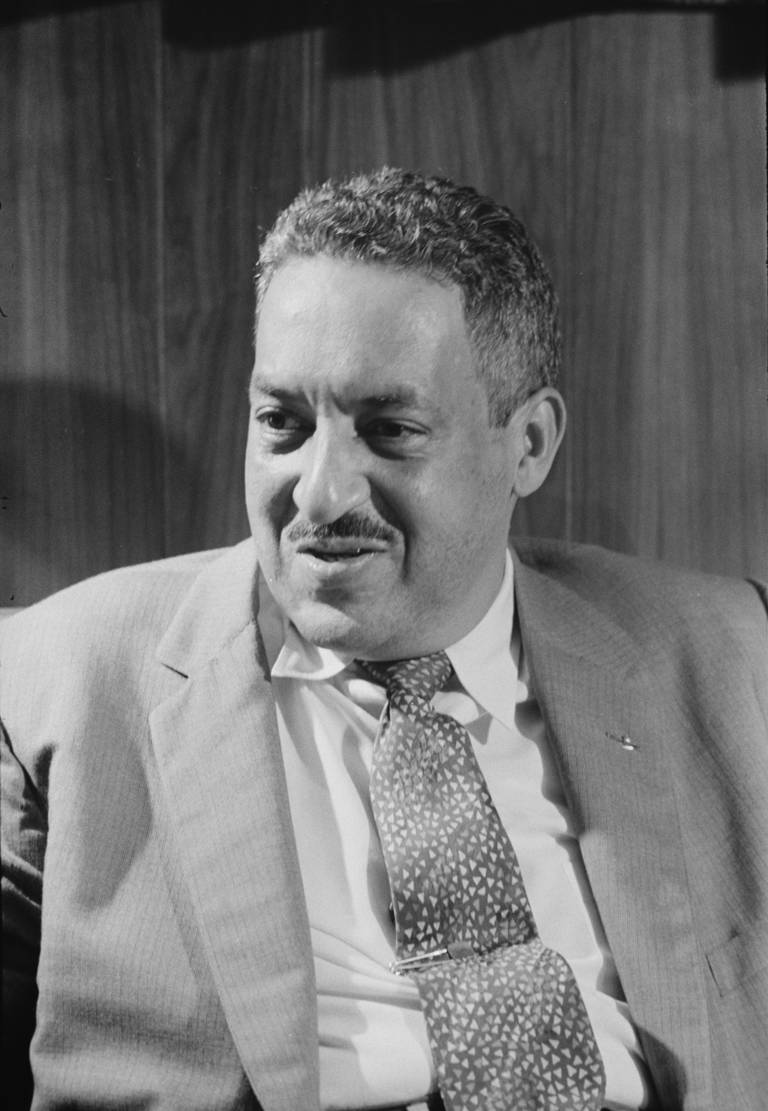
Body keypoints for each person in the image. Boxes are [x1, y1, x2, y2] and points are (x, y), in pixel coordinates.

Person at [1, 168, 766, 1111]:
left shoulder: (733, 657)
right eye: (282, 422)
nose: (319, 494)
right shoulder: (56, 677)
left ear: (527, 444)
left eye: (391, 430)